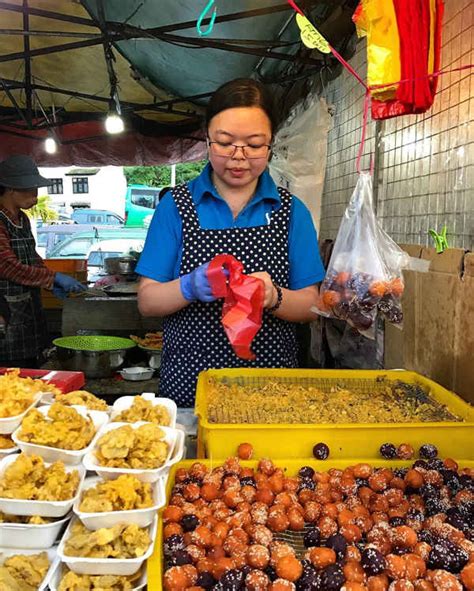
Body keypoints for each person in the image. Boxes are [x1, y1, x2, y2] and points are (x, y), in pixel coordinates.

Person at [137, 78, 325, 407]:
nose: (239, 157)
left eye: (254, 145)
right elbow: (148, 301)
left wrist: (274, 296)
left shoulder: (291, 211)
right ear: (207, 140)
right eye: (225, 143)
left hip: (271, 389)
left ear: (271, 144)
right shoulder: (176, 207)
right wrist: (189, 287)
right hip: (190, 386)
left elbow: (312, 306)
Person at [0, 155, 86, 368]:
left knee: (34, 366)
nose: (36, 197)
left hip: (30, 309)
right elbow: (7, 266)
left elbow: (32, 256)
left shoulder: (22, 218)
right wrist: (52, 277)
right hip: (6, 314)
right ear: (10, 188)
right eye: (30, 189)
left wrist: (51, 282)